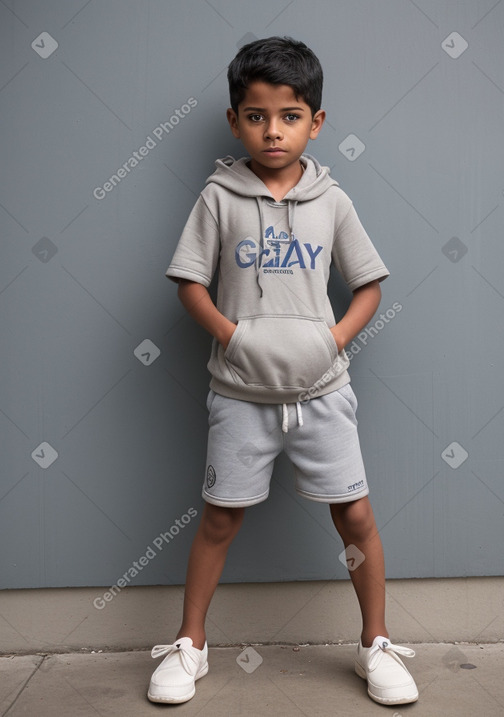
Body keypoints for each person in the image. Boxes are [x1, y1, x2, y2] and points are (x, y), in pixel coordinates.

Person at [147, 36, 419, 707]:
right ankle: (191, 645)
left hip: (324, 395)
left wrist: (331, 342)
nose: (274, 129)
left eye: (290, 115)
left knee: (355, 515)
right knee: (218, 517)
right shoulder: (219, 197)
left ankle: (374, 644)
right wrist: (234, 338)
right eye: (258, 115)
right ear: (237, 119)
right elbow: (189, 284)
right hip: (239, 395)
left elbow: (369, 287)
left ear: (315, 121)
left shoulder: (333, 201)